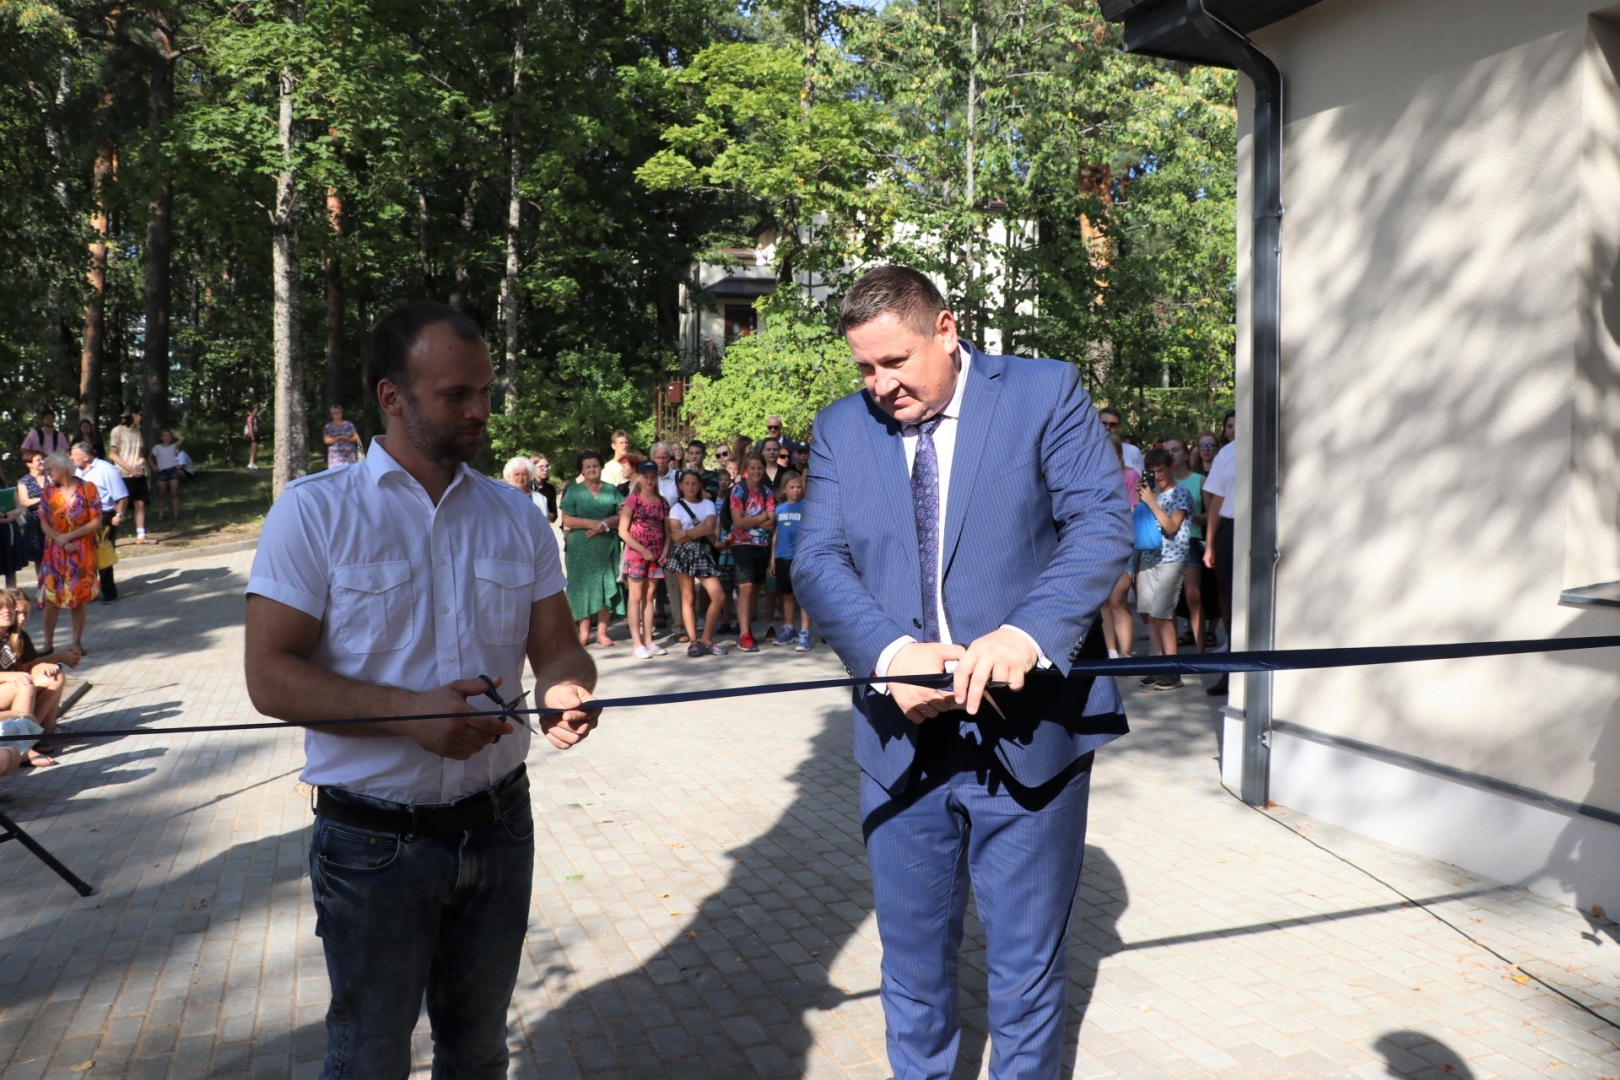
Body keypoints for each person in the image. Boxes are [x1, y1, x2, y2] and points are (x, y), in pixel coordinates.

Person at [242, 300, 600, 1079]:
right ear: (392, 397)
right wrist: (410, 715)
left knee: (477, 1053)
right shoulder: (313, 513)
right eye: (456, 394)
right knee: (368, 1059)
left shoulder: (516, 516)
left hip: (500, 830)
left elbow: (558, 648)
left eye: (485, 391)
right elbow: (269, 676)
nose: (479, 411)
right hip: (371, 846)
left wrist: (566, 690)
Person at [792, 265, 1130, 1080]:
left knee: (1026, 974)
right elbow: (818, 561)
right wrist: (889, 658)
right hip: (901, 741)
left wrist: (1027, 633)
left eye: (895, 361)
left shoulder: (1044, 393)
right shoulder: (840, 428)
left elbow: (1099, 522)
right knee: (910, 970)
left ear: (945, 328)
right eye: (864, 368)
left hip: (1031, 733)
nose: (880, 386)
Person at [1135, 449, 1193, 690]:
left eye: (1160, 470)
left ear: (1171, 467)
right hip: (1149, 557)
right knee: (1150, 615)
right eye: (1152, 471)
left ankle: (1173, 671)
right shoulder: (1151, 494)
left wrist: (1151, 502)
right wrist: (1144, 500)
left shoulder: (1181, 493)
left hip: (1172, 560)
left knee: (1163, 615)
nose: (1157, 476)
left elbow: (1171, 527)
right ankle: (1157, 665)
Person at [559, 449, 624, 647]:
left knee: (606, 585)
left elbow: (624, 514)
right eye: (587, 466)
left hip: (606, 546)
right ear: (582, 470)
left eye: (595, 465)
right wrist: (591, 524)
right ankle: (584, 632)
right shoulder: (574, 491)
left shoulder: (612, 490)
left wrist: (604, 524)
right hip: (580, 548)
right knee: (581, 588)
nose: (592, 469)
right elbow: (567, 519)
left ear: (601, 467)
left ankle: (603, 632)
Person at [40, 451, 102, 654]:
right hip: (54, 552)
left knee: (79, 597)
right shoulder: (48, 491)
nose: (47, 472)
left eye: (50, 468)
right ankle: (47, 644)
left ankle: (76, 643)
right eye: (45, 469)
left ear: (64, 467)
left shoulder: (88, 488)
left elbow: (96, 521)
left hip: (81, 551)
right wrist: (60, 539)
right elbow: (44, 522)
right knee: (51, 597)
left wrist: (69, 537)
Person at [2, 588, 77, 753]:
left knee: (55, 677)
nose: (22, 618)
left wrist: (42, 666)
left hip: (11, 687)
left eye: (26, 613)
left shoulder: (18, 636)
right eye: (18, 612)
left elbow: (26, 667)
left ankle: (43, 733)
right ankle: (23, 746)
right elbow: (19, 673)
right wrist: (9, 676)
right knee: (24, 685)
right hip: (8, 688)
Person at [666, 469, 727, 658]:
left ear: (700, 484)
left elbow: (710, 527)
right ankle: (693, 642)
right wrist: (698, 530)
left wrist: (686, 532)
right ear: (681, 486)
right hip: (683, 554)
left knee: (718, 595)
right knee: (688, 598)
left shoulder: (708, 504)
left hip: (703, 552)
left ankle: (706, 638)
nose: (691, 487)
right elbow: (676, 537)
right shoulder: (676, 508)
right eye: (687, 484)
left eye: (694, 483)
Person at [1202, 409, 1239, 695]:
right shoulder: (1226, 454)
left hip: (1262, 532)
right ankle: (1230, 673)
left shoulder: (1268, 447)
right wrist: (1211, 543)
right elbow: (1217, 501)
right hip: (1231, 529)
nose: (1235, 429)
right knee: (1228, 596)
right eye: (1230, 425)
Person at [619, 462, 669, 659]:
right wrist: (643, 550)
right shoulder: (633, 500)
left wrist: (665, 551)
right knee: (635, 596)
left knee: (650, 597)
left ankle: (649, 640)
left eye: (652, 476)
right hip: (636, 555)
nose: (649, 480)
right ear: (639, 477)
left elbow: (667, 532)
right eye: (645, 476)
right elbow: (623, 531)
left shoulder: (662, 502)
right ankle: (637, 643)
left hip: (656, 556)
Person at [727, 452, 775, 653]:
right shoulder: (738, 490)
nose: (756, 471)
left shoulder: (766, 491)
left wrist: (751, 519)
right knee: (745, 587)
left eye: (759, 468)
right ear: (746, 469)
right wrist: (761, 517)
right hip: (743, 544)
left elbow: (771, 522)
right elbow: (738, 522)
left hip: (761, 544)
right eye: (753, 468)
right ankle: (744, 634)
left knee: (755, 587)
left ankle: (747, 628)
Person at [1163, 435, 1207, 652]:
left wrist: (1187, 515)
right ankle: (1172, 657)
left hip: (1191, 540)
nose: (1171, 454)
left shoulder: (1199, 480)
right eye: (1168, 451)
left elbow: (1211, 515)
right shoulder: (1162, 481)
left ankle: (1201, 655)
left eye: (1176, 450)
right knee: (1168, 601)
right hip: (1166, 543)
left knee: (1193, 596)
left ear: (1186, 454)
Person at [70, 442, 126, 605]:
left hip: (103, 516)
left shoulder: (106, 469)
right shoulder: (76, 471)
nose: (71, 458)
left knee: (102, 554)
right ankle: (90, 591)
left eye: (74, 455)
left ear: (85, 457)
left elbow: (121, 495)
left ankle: (110, 593)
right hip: (82, 518)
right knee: (85, 555)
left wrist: (119, 514)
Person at [1100, 436, 1137, 659]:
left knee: (1118, 601)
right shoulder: (1092, 475)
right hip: (1098, 543)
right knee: (1102, 601)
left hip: (1123, 540)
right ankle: (1111, 652)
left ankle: (1126, 654)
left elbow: (1134, 508)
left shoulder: (1129, 475)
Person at [769, 470, 812, 651]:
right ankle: (789, 628)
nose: (796, 490)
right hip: (782, 556)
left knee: (803, 595)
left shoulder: (806, 507)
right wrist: (773, 557)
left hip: (800, 556)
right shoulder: (779, 509)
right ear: (784, 489)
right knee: (785, 595)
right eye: (792, 487)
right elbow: (776, 534)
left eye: (798, 487)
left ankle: (804, 632)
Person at [108, 410, 149, 544]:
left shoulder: (138, 431)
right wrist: (129, 468)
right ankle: (111, 535)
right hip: (123, 473)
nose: (141, 416)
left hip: (138, 472)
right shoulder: (116, 431)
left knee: (140, 503)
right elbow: (112, 454)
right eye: (139, 414)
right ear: (132, 415)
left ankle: (141, 535)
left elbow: (141, 451)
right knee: (120, 505)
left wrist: (142, 460)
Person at [15, 450, 47, 578]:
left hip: (54, 519)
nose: (42, 462)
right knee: (39, 558)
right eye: (38, 460)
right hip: (35, 521)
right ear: (29, 464)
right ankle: (42, 585)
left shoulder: (50, 476)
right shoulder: (23, 482)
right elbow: (25, 502)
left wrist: (37, 500)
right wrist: (46, 498)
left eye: (42, 459)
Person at [150, 429, 185, 525]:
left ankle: (176, 514)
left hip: (173, 471)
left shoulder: (173, 446)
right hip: (162, 472)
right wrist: (153, 466)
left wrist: (175, 434)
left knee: (175, 493)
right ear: (161, 437)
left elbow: (182, 439)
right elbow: (150, 457)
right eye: (164, 436)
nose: (166, 438)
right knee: (162, 494)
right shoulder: (157, 447)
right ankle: (161, 514)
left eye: (168, 436)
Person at [1098, 406, 1143, 474]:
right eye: (1103, 424)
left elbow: (1140, 478)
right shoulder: (1087, 450)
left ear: (1119, 427)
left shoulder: (1133, 451)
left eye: (1113, 425)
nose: (1107, 428)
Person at [529, 454, 558, 522]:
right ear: (532, 468)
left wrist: (545, 513)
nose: (545, 469)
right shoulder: (526, 487)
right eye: (541, 467)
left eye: (547, 466)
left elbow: (554, 516)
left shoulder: (550, 489)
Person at [244, 403, 261, 469]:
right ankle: (251, 463)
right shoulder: (250, 417)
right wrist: (252, 435)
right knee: (253, 448)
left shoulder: (256, 417)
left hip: (256, 434)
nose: (257, 410)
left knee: (256, 448)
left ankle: (253, 462)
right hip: (252, 434)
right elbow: (250, 426)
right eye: (256, 408)